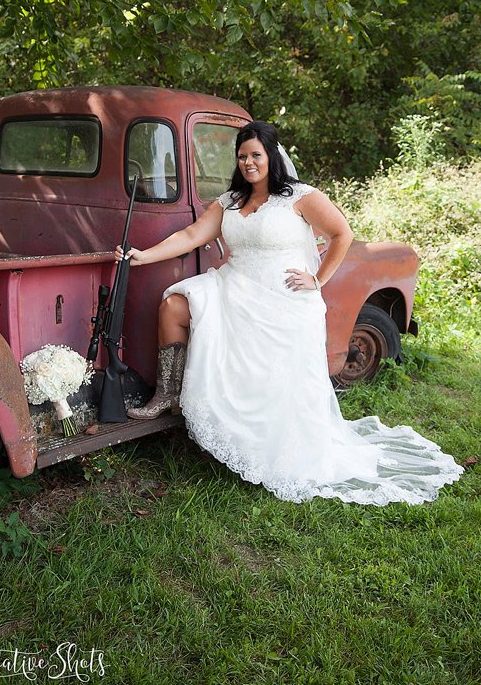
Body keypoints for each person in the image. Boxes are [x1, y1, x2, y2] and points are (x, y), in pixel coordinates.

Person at [115, 121, 463, 505]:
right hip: (233, 288)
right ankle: (167, 395)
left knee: (275, 377)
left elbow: (341, 234)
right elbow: (191, 235)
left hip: (284, 300)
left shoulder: (300, 196)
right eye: (242, 156)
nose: (249, 162)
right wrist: (143, 256)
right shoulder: (230, 200)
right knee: (174, 305)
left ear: (272, 156)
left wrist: (318, 278)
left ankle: (266, 442)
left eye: (256, 155)